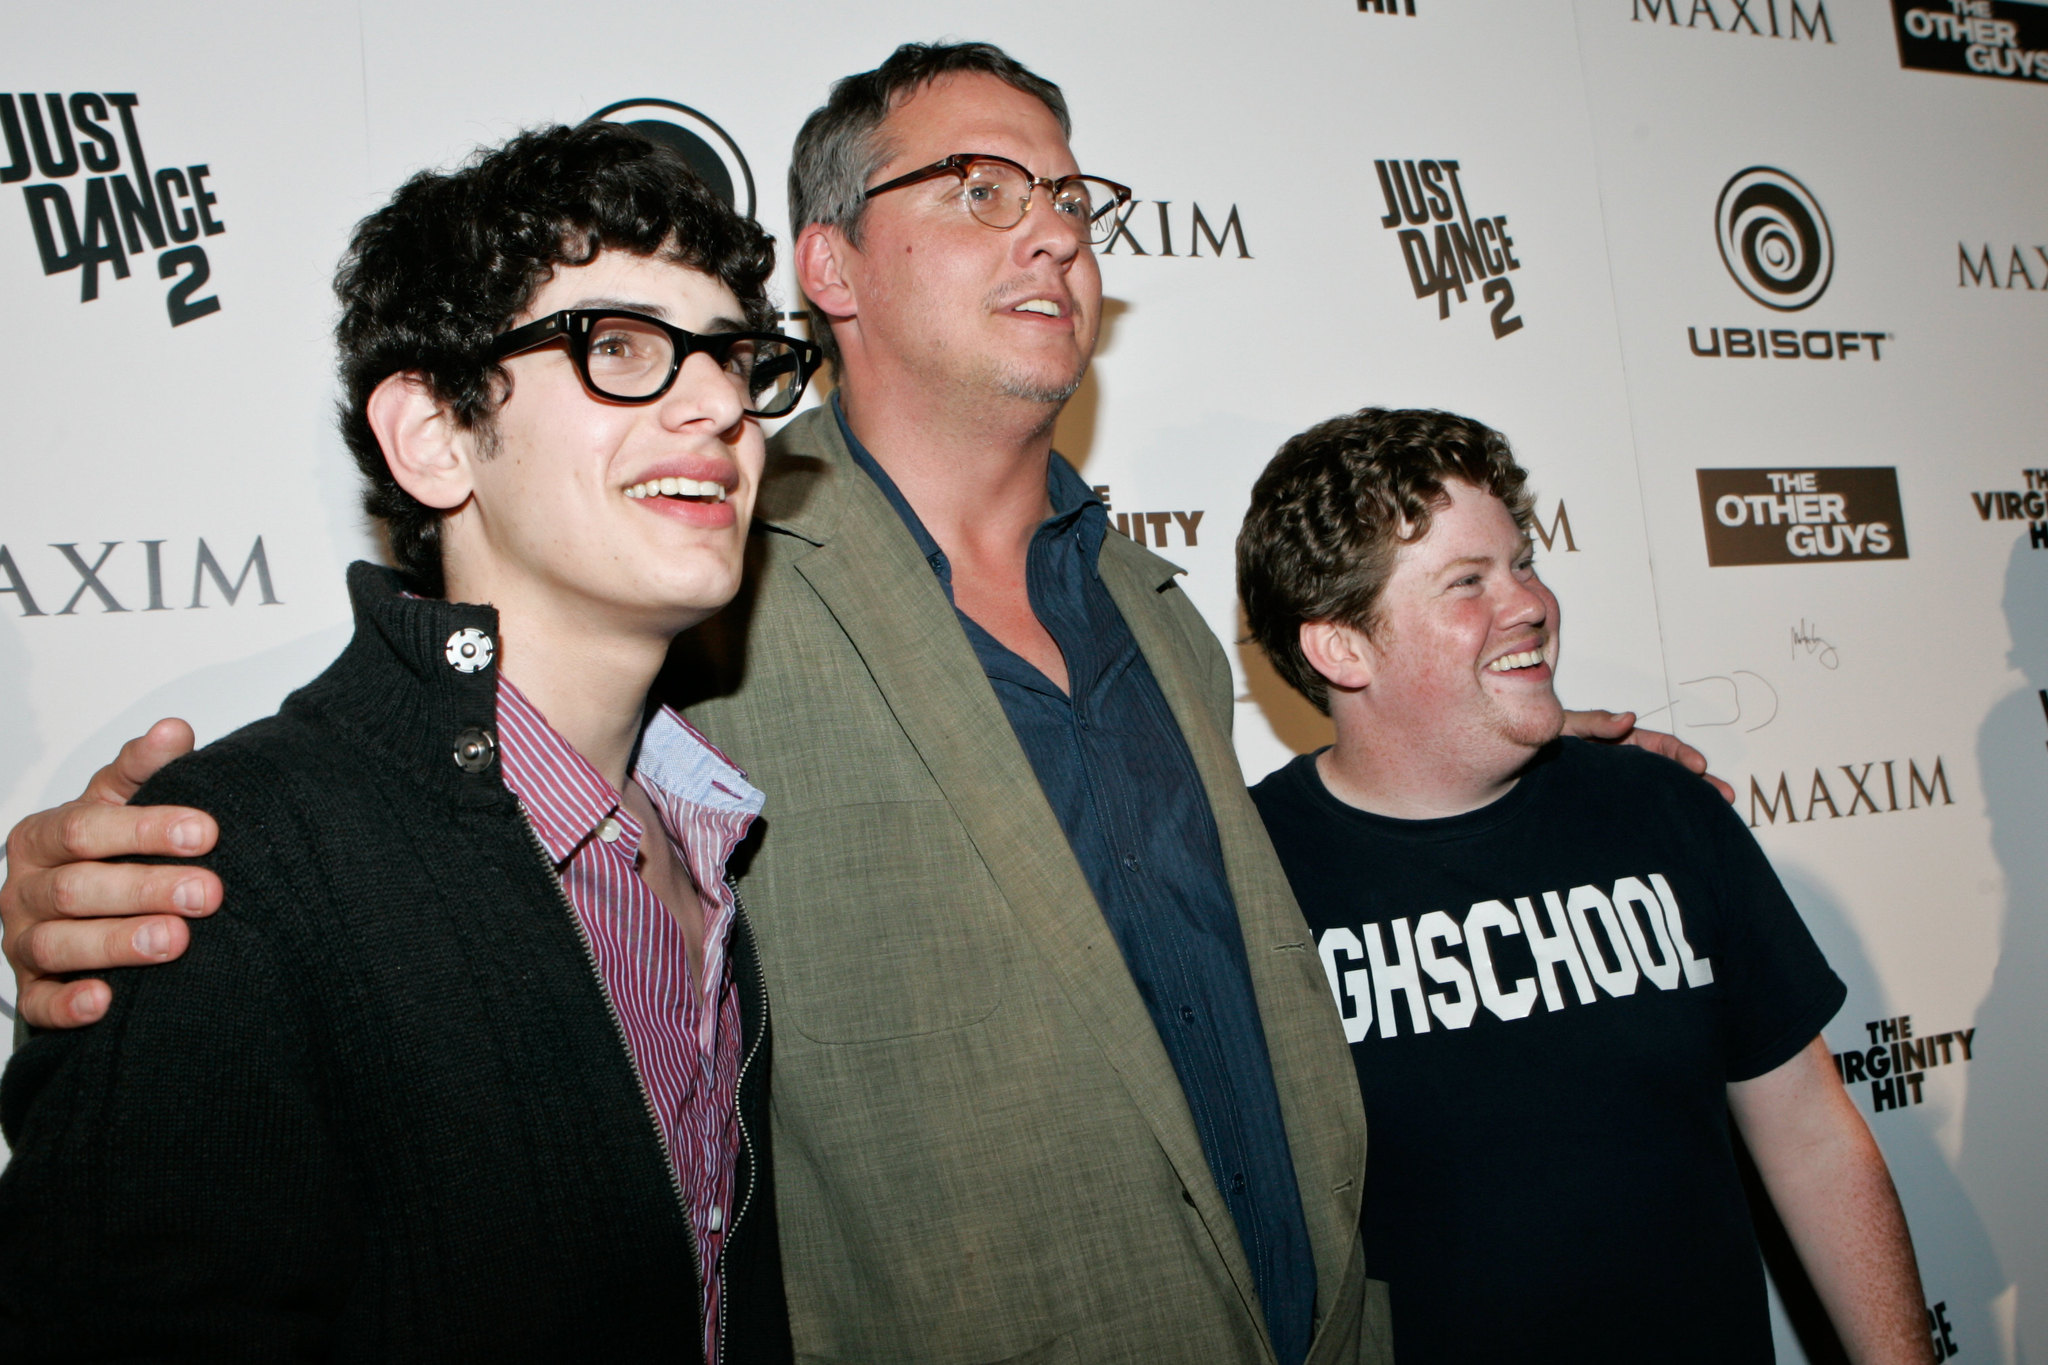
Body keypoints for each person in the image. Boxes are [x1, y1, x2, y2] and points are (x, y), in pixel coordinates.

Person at [0, 42, 1713, 1364]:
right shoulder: (694, 595)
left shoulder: (1151, 608)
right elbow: (420, 807)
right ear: (829, 265)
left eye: (1068, 196)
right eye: (976, 186)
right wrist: (120, 888)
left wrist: (1507, 765)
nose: (1051, 226)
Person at [0, 121, 820, 1361]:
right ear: (433, 437)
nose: (716, 406)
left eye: (733, 360)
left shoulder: (699, 832)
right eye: (619, 350)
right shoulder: (222, 869)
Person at [1237, 407, 1932, 1364]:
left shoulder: (1661, 808)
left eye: (1521, 562)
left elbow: (1813, 1138)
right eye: (1467, 583)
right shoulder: (1247, 883)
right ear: (1342, 649)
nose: (1527, 602)